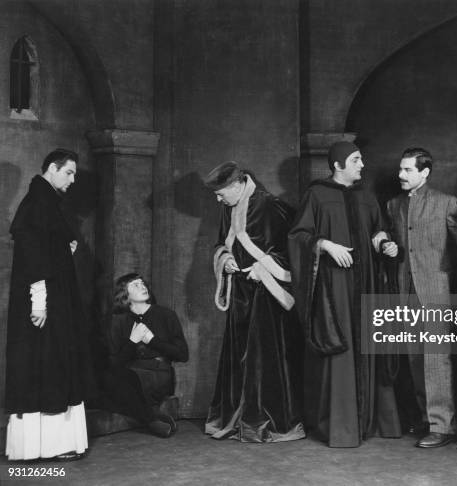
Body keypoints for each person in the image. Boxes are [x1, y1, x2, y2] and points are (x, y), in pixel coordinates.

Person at [288, 141, 399, 447]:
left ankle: (370, 421)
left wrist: (382, 243)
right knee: (343, 348)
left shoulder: (367, 195)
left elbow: (378, 230)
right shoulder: (317, 195)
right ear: (338, 165)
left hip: (367, 284)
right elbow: (298, 237)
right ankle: (342, 427)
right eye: (355, 159)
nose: (362, 164)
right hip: (333, 287)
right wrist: (325, 245)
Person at [204, 162, 304, 442]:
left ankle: (267, 423)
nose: (218, 199)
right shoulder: (229, 207)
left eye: (221, 193)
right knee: (239, 358)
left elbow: (294, 251)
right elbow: (221, 245)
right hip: (241, 295)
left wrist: (264, 269)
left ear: (237, 185)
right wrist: (226, 261)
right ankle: (239, 418)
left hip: (268, 296)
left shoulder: (270, 206)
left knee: (264, 361)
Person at [5, 149, 94, 461]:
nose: (72, 180)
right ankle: (47, 446)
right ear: (52, 169)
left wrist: (63, 250)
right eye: (68, 173)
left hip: (54, 298)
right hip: (44, 300)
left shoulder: (47, 202)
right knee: (46, 361)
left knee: (52, 361)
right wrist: (39, 302)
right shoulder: (40, 202)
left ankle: (50, 445)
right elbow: (32, 256)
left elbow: (49, 249)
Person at [385, 147, 457, 448]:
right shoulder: (392, 205)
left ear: (425, 172)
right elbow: (399, 245)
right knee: (414, 359)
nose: (401, 175)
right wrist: (389, 246)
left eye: (408, 170)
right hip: (405, 291)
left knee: (437, 359)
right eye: (400, 169)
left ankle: (442, 425)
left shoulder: (446, 203)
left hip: (437, 291)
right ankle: (428, 418)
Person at [102, 273, 189, 438]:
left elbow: (183, 355)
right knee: (108, 377)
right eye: (135, 285)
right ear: (125, 295)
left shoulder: (166, 315)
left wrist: (153, 340)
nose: (142, 286)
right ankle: (151, 418)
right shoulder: (118, 320)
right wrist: (132, 341)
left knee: (116, 384)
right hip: (130, 373)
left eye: (142, 283)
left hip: (158, 374)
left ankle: (148, 415)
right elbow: (116, 362)